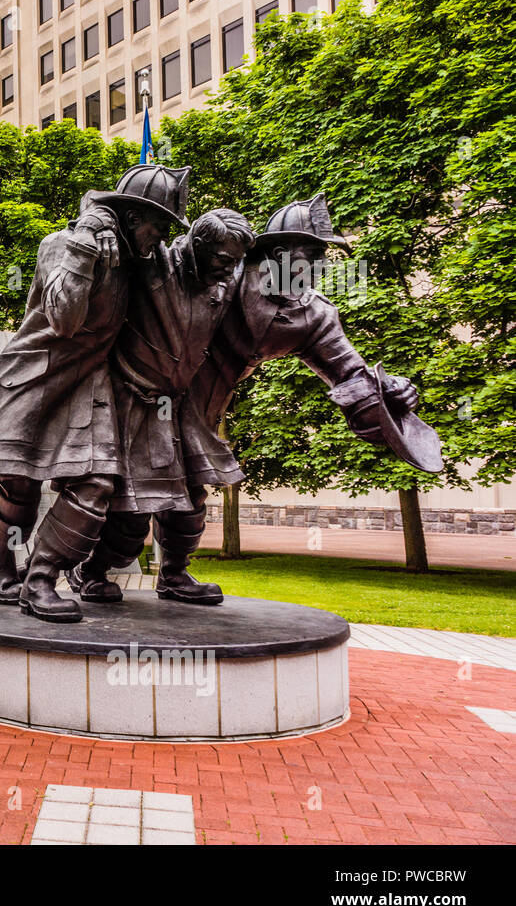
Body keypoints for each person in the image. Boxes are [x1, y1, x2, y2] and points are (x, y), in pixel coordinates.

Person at [69, 194, 438, 604]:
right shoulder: (225, 271)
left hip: (204, 405)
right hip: (147, 391)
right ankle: (92, 570)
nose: (322, 265)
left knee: (191, 497)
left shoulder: (313, 315)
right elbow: (157, 256)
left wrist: (389, 391)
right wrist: (97, 222)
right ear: (279, 253)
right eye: (312, 252)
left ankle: (173, 574)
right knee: (135, 504)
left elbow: (347, 370)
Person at [0, 164, 190, 622]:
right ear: (135, 217)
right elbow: (63, 319)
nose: (161, 239)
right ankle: (0, 563)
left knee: (95, 483)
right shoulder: (62, 244)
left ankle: (40, 580)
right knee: (20, 483)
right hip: (33, 377)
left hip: (90, 383)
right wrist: (84, 243)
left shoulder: (137, 261)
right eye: (159, 226)